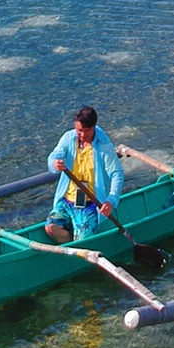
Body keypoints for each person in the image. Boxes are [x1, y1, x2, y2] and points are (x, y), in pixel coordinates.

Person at [43, 105, 124, 244]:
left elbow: (117, 173)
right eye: (79, 130)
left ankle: (76, 246)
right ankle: (71, 246)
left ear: (93, 127)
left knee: (82, 241)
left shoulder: (104, 146)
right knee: (50, 228)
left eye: (86, 131)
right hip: (68, 200)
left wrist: (111, 200)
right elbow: (54, 155)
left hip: (90, 203)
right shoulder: (69, 138)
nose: (81, 135)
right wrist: (54, 163)